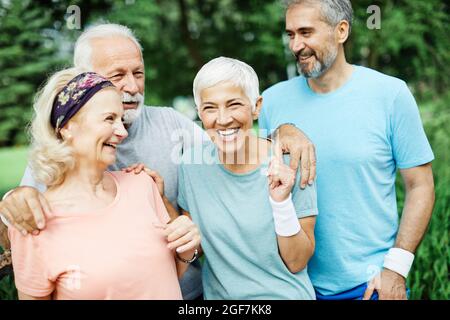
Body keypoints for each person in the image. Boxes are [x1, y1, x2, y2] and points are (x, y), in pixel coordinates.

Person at [0, 24, 316, 300]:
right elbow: (22, 222)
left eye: (138, 73)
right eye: (117, 75)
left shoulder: (172, 129)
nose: (133, 86)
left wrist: (283, 133)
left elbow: (230, 139)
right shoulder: (54, 162)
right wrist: (13, 197)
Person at [259, 0, 435, 300]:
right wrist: (277, 134)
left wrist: (396, 269)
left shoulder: (391, 94)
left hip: (370, 286)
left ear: (341, 31)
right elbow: (254, 180)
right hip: (292, 287)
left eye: (306, 32)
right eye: (290, 34)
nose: (295, 45)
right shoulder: (272, 101)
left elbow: (420, 185)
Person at [8, 69, 201, 299]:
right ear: (67, 126)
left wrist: (187, 246)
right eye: (109, 118)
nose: (121, 131)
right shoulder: (33, 220)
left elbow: (166, 276)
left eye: (121, 119)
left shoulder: (143, 185)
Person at [174, 57, 318, 299]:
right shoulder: (190, 166)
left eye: (234, 104)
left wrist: (281, 203)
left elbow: (297, 261)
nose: (222, 119)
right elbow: (195, 246)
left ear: (256, 106)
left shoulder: (289, 162)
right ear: (199, 112)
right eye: (210, 107)